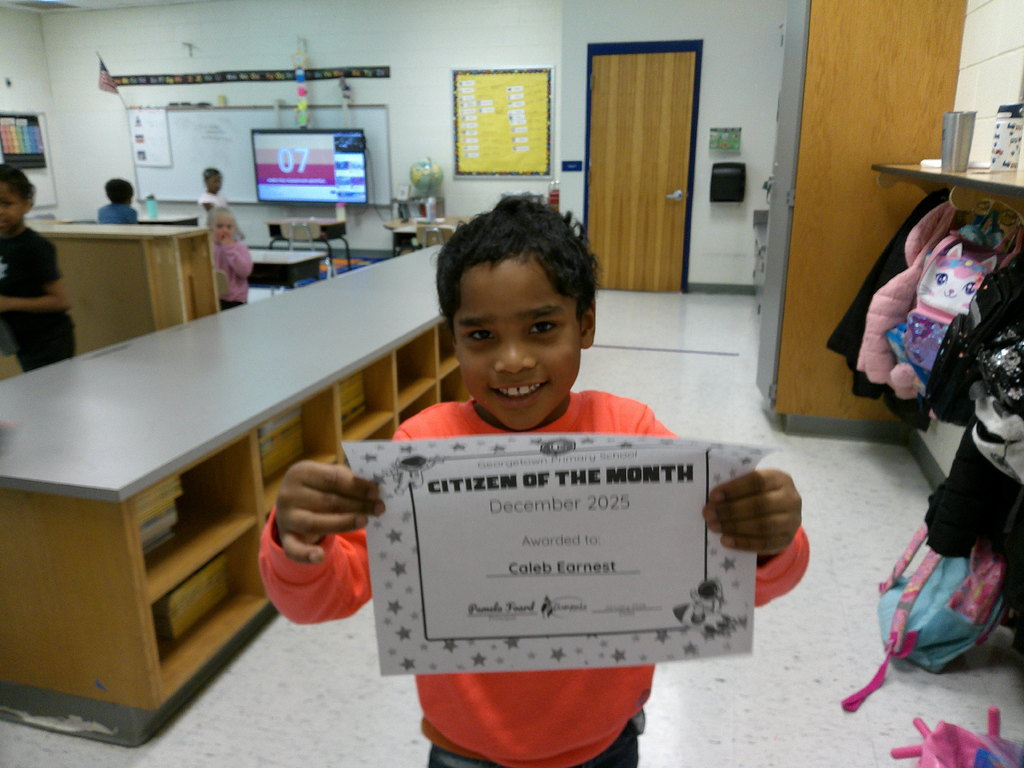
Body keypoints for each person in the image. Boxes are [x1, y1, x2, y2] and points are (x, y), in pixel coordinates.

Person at [258, 196, 809, 768]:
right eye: (481, 336)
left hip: (606, 744)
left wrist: (769, 540)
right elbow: (323, 598)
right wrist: (297, 543)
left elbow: (726, 579)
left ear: (585, 323)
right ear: (453, 340)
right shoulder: (419, 452)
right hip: (466, 751)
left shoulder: (632, 433)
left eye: (542, 327)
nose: (513, 360)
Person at [0, 165, 75, 373]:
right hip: (21, 340)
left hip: (49, 341)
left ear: (26, 205)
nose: (0, 211)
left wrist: (9, 303)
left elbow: (61, 301)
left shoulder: (35, 246)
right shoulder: (2, 242)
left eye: (6, 203)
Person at [209, 207, 252, 310]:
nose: (224, 230)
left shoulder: (240, 248)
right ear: (211, 227)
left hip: (235, 299)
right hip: (214, 297)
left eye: (229, 227)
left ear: (234, 229)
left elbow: (245, 272)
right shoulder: (209, 247)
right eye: (219, 226)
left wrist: (230, 250)